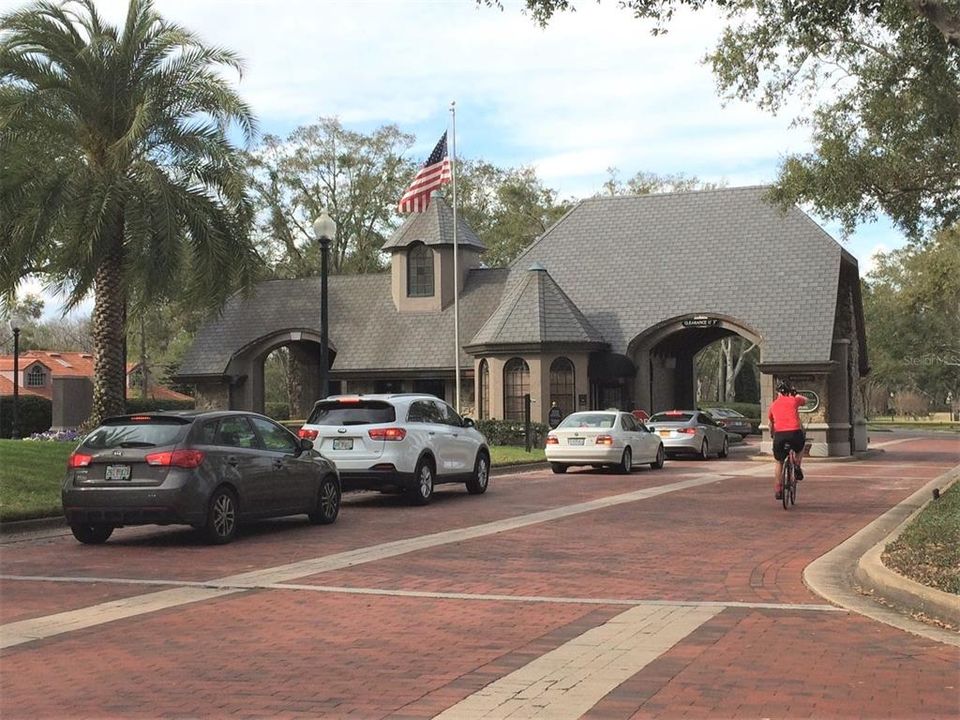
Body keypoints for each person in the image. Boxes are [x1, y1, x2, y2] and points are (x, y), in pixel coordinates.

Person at [768, 381, 807, 499]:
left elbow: (770, 424)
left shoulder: (773, 405)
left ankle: (778, 488)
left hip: (779, 435)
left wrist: (772, 435)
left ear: (777, 393)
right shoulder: (794, 400)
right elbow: (806, 400)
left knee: (779, 461)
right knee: (801, 446)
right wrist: (795, 395)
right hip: (795, 432)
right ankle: (797, 465)